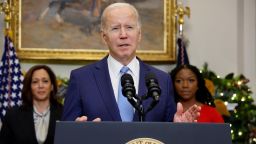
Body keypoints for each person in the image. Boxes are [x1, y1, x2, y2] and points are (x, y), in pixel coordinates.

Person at [62, 2, 200, 122]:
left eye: (129, 27)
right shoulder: (81, 79)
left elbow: (167, 132)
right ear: (104, 37)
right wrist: (77, 131)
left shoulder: (162, 80)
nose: (123, 35)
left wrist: (177, 127)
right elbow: (66, 134)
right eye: (115, 28)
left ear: (139, 34)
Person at [0, 65, 63, 144]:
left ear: (52, 86)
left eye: (45, 81)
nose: (41, 86)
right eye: (35, 82)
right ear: (29, 87)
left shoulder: (64, 113)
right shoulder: (13, 115)